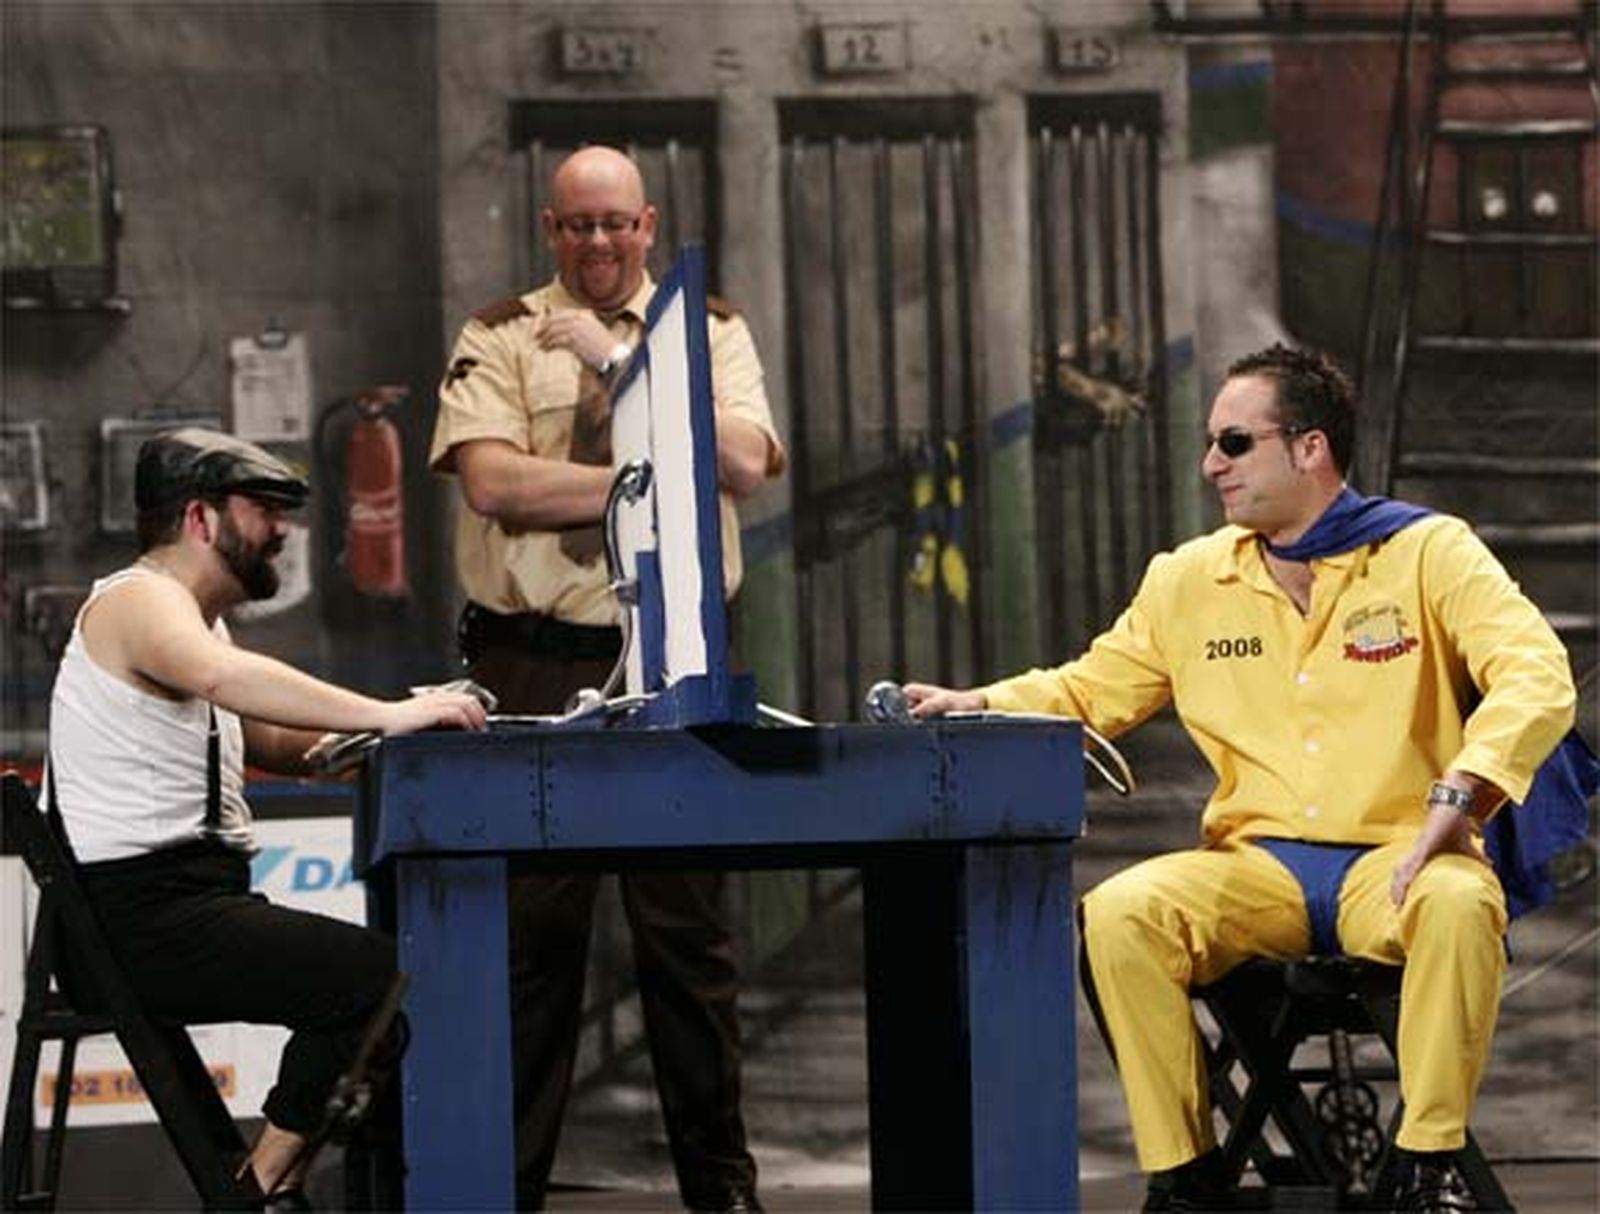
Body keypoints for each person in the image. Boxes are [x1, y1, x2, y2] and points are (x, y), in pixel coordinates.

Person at [905, 344, 1575, 1212]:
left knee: (1458, 902)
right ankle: (1189, 1177)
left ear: (1309, 448)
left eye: (1233, 442)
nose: (1210, 465)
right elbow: (1089, 690)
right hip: (1259, 868)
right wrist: (980, 703)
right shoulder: (1189, 580)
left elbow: (1535, 672)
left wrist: (1464, 790)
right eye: (1211, 444)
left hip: (1396, 862)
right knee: (1121, 915)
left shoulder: (1427, 552)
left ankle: (1427, 1163)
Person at [428, 145, 786, 1211]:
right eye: (577, 224)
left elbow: (745, 462)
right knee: (531, 944)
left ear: (647, 224)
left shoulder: (706, 331)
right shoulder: (499, 333)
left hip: (676, 656)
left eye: (615, 223)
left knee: (687, 942)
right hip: (534, 657)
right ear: (551, 228)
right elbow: (494, 484)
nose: (597, 241)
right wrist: (655, 470)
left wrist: (628, 367)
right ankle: (507, 1191)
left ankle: (722, 1191)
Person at [45, 428, 488, 1207]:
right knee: (370, 978)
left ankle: (279, 1186)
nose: (282, 530)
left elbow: (268, 738)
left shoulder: (192, 622)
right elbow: (226, 677)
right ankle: (262, 1192)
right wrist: (387, 715)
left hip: (174, 906)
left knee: (377, 994)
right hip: (138, 918)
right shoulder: (140, 600)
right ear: (200, 518)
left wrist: (374, 735)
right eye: (263, 510)